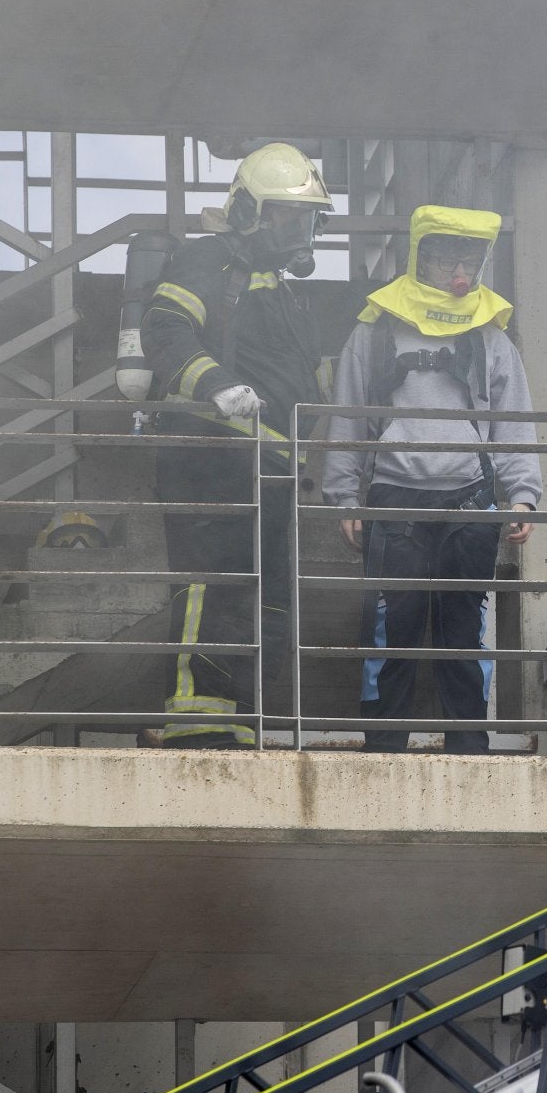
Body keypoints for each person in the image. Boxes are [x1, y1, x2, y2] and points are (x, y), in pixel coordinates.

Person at [322, 205, 541, 755]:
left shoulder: (493, 340)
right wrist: (345, 495)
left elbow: (514, 421)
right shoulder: (373, 333)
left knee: (464, 634)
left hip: (470, 500)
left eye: (469, 259)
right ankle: (383, 749)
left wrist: (523, 495)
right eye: (447, 258)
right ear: (421, 258)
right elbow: (347, 413)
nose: (459, 271)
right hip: (392, 498)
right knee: (389, 632)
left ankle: (471, 750)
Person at [140, 142, 336, 748]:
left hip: (270, 466)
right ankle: (197, 721)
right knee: (213, 584)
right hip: (211, 453)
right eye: (286, 215)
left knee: (270, 601)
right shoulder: (209, 262)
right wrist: (216, 383)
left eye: (306, 218)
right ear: (250, 210)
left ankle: (238, 716)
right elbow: (164, 329)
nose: (298, 229)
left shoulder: (281, 292)